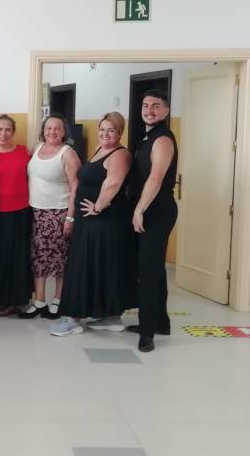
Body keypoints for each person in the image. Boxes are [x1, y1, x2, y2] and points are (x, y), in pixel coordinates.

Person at [50, 112, 135, 336]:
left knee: (84, 267)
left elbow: (113, 183)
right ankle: (111, 316)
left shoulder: (120, 154)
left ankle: (73, 319)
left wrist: (98, 206)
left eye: (111, 130)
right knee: (100, 267)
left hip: (103, 222)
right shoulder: (100, 149)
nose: (105, 134)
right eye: (102, 129)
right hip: (90, 221)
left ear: (120, 133)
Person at [127, 90, 178, 353]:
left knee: (148, 271)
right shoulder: (147, 137)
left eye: (156, 106)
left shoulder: (163, 139)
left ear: (166, 111)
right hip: (148, 209)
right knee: (154, 269)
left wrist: (139, 210)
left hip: (156, 211)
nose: (149, 110)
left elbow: (156, 178)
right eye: (146, 105)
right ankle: (161, 322)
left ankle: (147, 332)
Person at [23, 114, 81, 319]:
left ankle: (58, 301)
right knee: (38, 257)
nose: (52, 132)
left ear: (64, 132)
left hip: (59, 213)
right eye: (48, 128)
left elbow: (76, 188)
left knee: (59, 259)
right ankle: (39, 302)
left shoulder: (68, 154)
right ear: (43, 130)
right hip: (36, 212)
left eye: (57, 128)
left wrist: (70, 218)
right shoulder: (37, 148)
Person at [0, 115, 33, 319]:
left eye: (8, 129)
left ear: (13, 132)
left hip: (21, 211)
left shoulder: (24, 152)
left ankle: (17, 301)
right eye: (0, 129)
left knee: (18, 258)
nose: (3, 134)